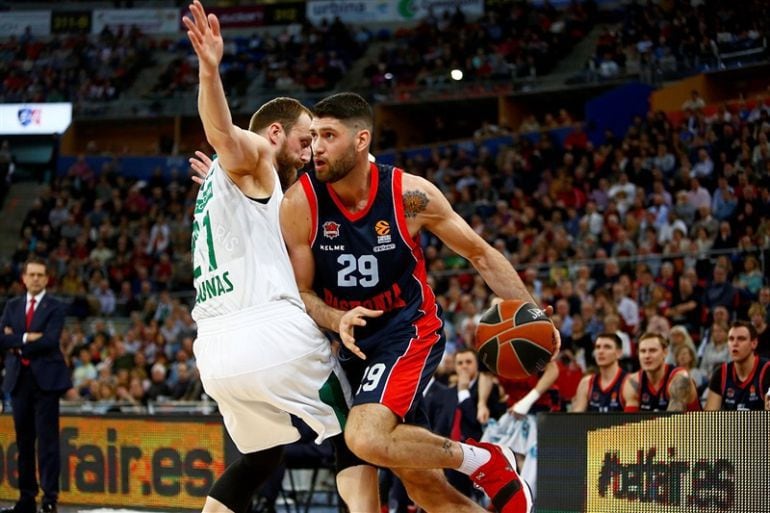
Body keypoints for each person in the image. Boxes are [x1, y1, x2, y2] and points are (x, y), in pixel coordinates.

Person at [280, 92, 556, 512]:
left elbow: (479, 253)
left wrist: (533, 311)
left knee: (366, 438)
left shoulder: (409, 195)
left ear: (361, 140)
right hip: (347, 345)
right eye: (314, 135)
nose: (316, 146)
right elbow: (303, 293)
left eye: (329, 135)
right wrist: (336, 318)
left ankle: (486, 460)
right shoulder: (301, 202)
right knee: (423, 487)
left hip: (406, 331)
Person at [182, 4, 377, 513]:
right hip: (271, 335)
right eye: (306, 136)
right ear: (273, 134)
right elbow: (223, 132)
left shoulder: (231, 184)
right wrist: (210, 68)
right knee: (355, 433)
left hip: (216, 353)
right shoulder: (257, 158)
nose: (313, 148)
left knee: (260, 459)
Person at [0, 258, 69, 513]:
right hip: (19, 380)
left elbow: (50, 341)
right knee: (24, 442)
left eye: (41, 274)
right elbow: (1, 339)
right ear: (24, 278)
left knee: (48, 443)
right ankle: (26, 498)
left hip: (46, 382)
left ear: (47, 279)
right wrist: (29, 337)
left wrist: (16, 340)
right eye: (32, 274)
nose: (36, 278)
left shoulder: (56, 307)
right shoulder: (12, 305)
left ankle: (49, 498)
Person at [621, 332, 701, 412]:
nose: (647, 356)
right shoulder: (633, 381)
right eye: (643, 351)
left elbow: (675, 420)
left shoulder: (679, 377)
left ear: (665, 352)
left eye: (653, 350)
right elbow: (630, 420)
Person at [704, 321, 770, 411]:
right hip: (730, 425)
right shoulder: (721, 373)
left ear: (754, 343)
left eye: (741, 339)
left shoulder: (767, 370)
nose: (735, 343)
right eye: (731, 339)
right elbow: (709, 417)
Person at [571, 333, 626, 412]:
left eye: (607, 347)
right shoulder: (586, 383)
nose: (600, 351)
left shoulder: (628, 382)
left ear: (619, 353)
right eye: (597, 347)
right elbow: (576, 419)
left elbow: (632, 420)